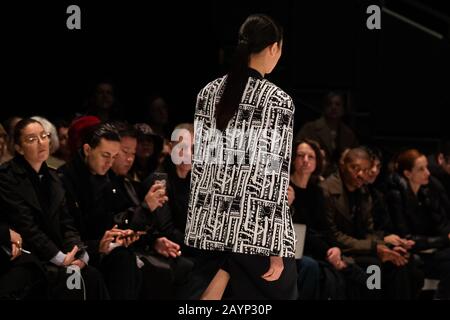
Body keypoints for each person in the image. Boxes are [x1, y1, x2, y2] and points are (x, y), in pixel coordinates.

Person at [185, 14, 297, 300]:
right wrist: (278, 248)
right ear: (273, 48)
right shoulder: (278, 101)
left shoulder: (207, 93)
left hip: (208, 227)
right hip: (253, 233)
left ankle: (224, 270)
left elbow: (202, 167)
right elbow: (273, 179)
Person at [0, 118, 108, 299]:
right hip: (31, 254)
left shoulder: (54, 176)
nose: (41, 142)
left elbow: (67, 223)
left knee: (92, 276)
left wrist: (79, 253)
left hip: (57, 253)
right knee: (68, 279)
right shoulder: (7, 177)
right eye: (32, 139)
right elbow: (26, 225)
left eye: (44, 136)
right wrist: (60, 258)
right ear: (18, 148)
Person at [386, 149, 450, 299]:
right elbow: (405, 238)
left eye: (427, 167)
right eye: (421, 169)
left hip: (428, 248)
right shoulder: (395, 196)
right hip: (409, 252)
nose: (427, 172)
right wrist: (446, 239)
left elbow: (439, 223)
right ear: (408, 174)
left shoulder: (427, 190)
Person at [295, 91, 358, 177]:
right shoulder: (310, 128)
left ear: (343, 109)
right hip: (312, 175)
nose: (333, 107)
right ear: (324, 107)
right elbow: (296, 150)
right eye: (329, 104)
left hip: (340, 178)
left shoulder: (348, 133)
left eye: (337, 104)